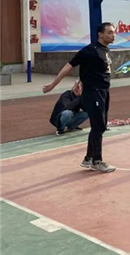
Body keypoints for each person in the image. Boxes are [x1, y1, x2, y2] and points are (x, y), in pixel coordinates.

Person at [43, 23, 116, 172]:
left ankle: (88, 158)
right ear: (100, 34)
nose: (113, 35)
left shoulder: (105, 50)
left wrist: (80, 80)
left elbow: (89, 69)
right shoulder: (90, 50)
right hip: (93, 92)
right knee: (98, 126)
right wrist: (53, 84)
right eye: (109, 32)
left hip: (104, 91)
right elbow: (70, 65)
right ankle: (97, 160)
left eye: (114, 32)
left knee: (100, 126)